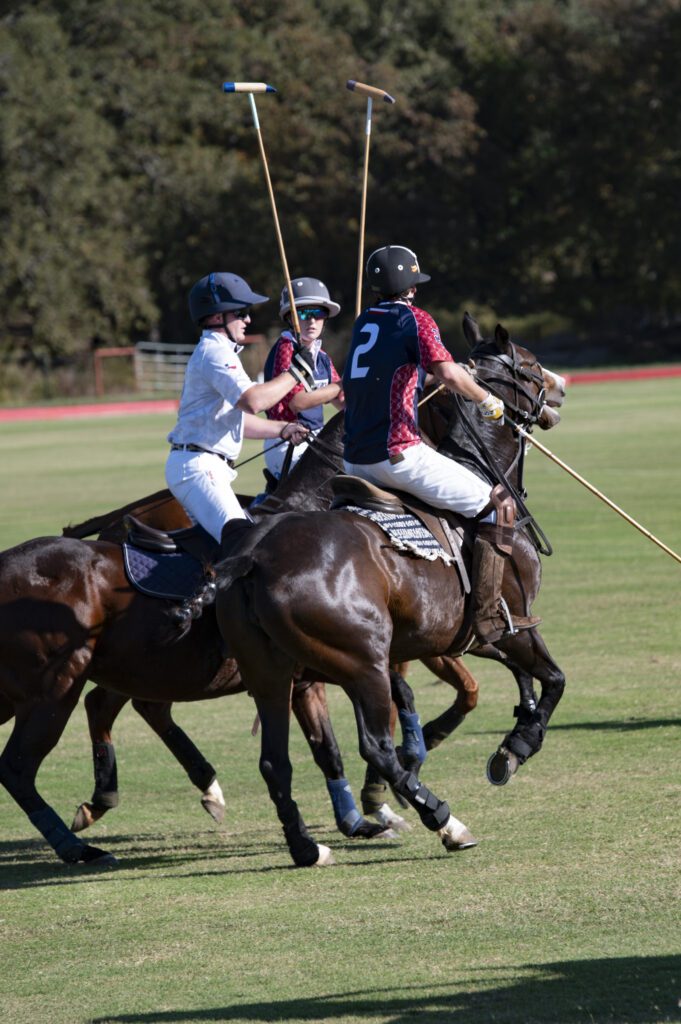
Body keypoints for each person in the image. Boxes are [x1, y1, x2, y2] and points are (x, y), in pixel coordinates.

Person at [341, 245, 540, 644]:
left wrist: (434, 377)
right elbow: (447, 371)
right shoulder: (416, 320)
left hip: (352, 462)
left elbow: (400, 372)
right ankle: (487, 618)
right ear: (411, 288)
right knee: (500, 504)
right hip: (398, 455)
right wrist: (489, 401)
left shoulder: (364, 321)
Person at [165, 272, 316, 548]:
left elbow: (236, 420)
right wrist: (296, 373)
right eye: (241, 312)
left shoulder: (221, 351)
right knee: (246, 543)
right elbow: (253, 401)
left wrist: (283, 429)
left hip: (206, 466)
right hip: (198, 468)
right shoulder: (214, 352)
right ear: (215, 317)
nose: (248, 320)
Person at [262, 277, 344, 483]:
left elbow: (341, 400)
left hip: (317, 440)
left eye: (319, 313)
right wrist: (341, 386)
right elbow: (297, 402)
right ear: (290, 317)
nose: (312, 320)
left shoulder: (322, 356)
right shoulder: (286, 348)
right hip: (287, 441)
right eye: (304, 313)